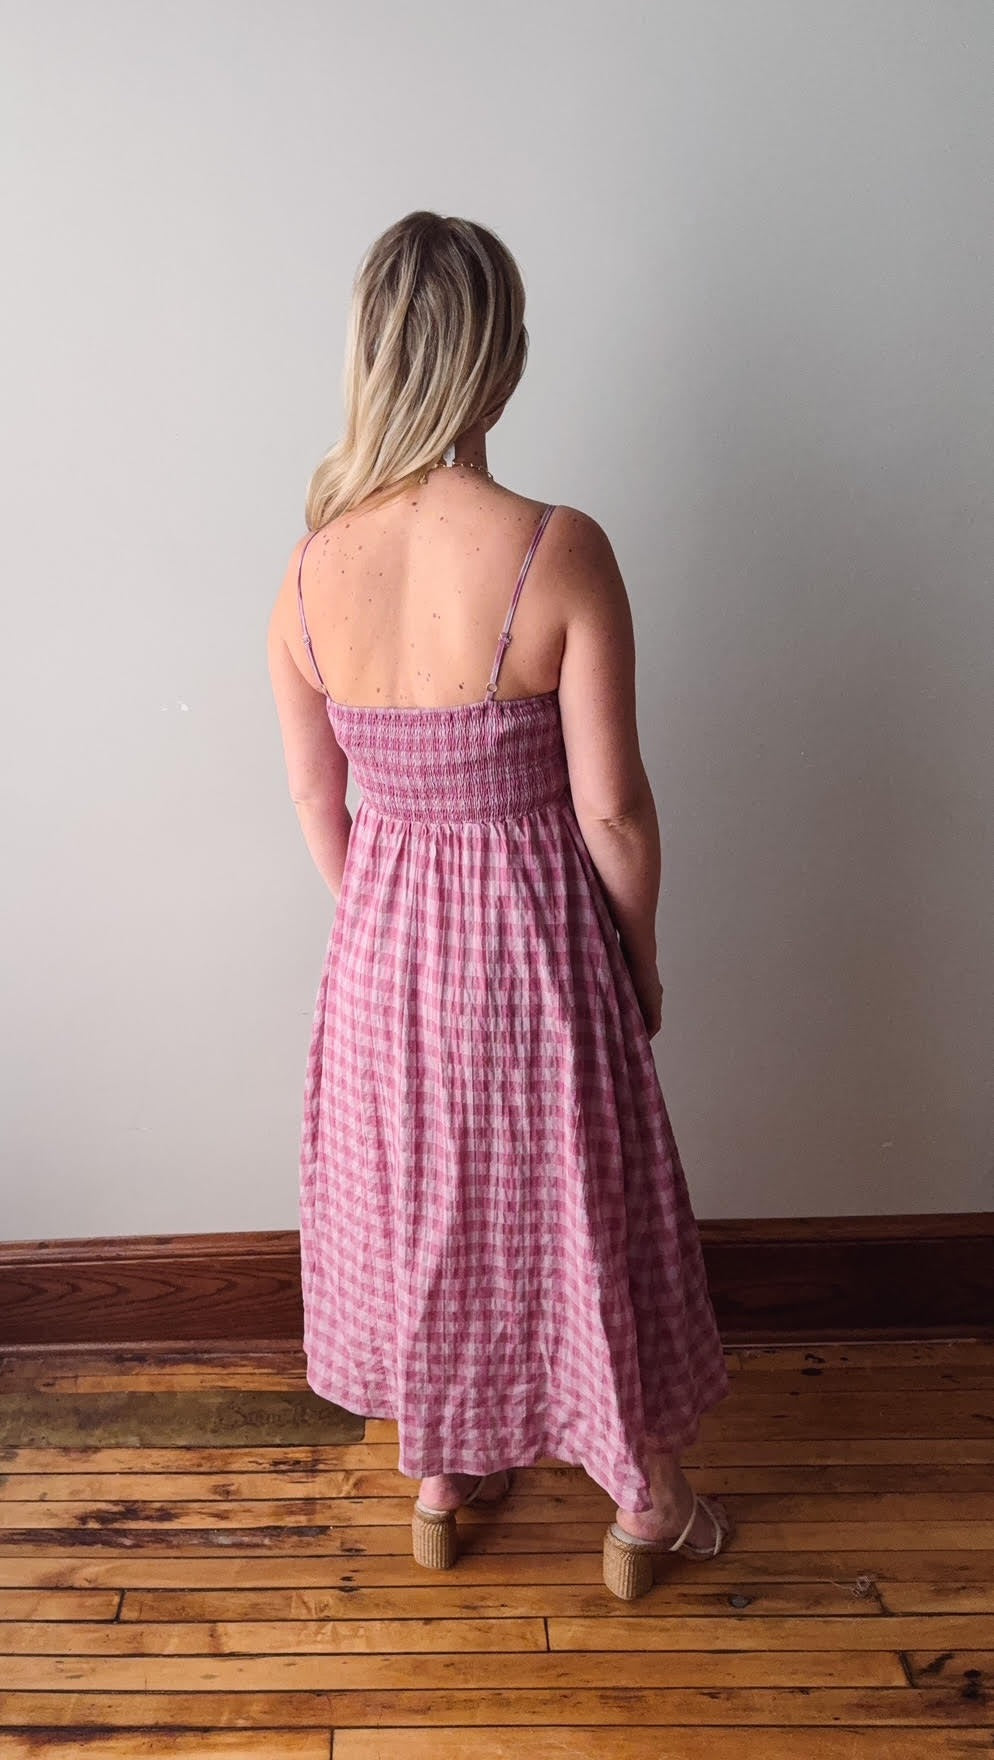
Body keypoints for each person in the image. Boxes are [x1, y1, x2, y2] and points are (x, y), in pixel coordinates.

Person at [267, 210, 734, 1601]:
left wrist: (389, 926)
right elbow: (610, 809)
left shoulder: (304, 572)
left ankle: (441, 1476)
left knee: (427, 1205)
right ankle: (644, 1506)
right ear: (500, 358)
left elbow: (313, 801)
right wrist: (637, 957)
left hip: (382, 953)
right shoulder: (557, 548)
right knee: (575, 1211)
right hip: (537, 942)